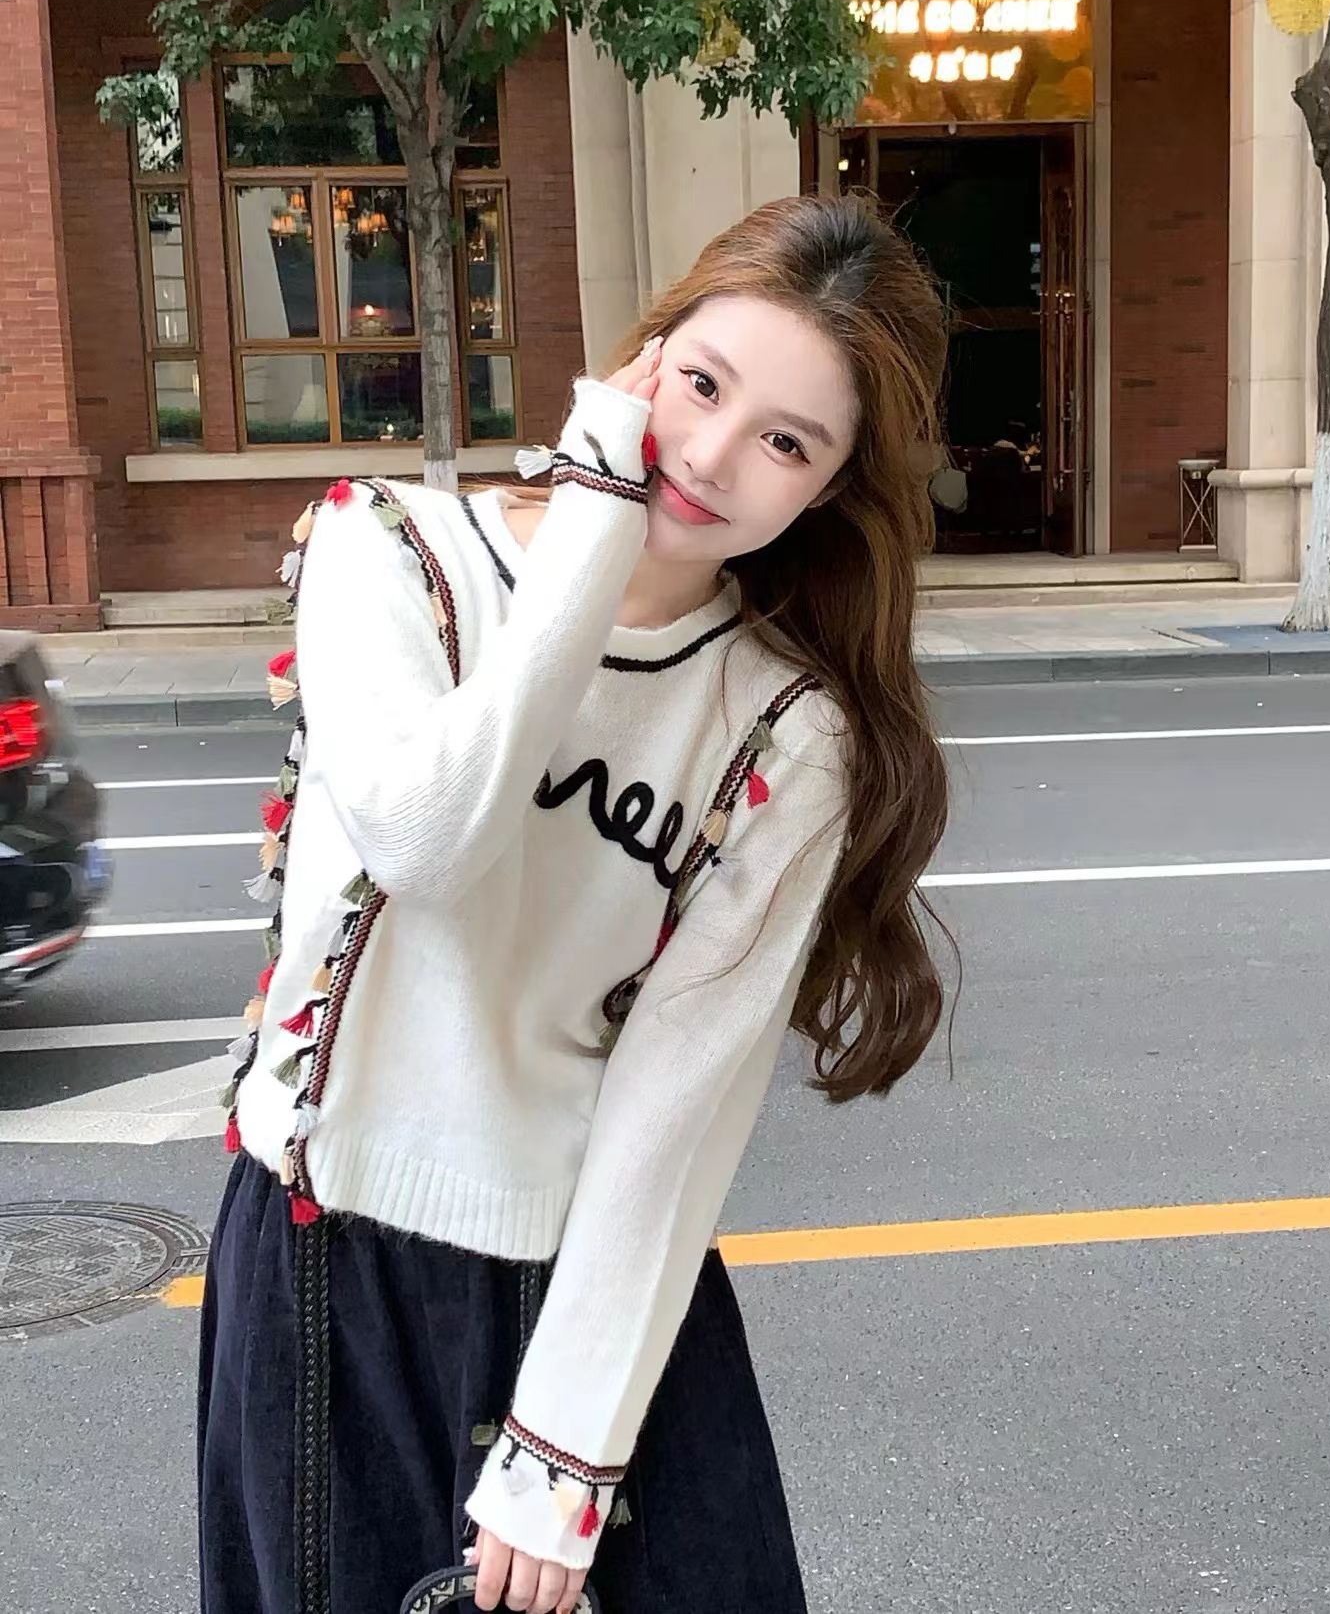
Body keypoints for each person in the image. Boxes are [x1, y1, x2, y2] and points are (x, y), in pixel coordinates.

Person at [197, 194, 954, 1614]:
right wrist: (594, 518)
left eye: (788, 443)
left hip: (583, 1300)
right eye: (704, 384)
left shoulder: (783, 731)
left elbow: (679, 1104)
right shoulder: (390, 550)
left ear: (825, 492)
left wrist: (563, 1457)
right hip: (322, 1263)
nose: (714, 455)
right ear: (643, 360)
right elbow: (428, 835)